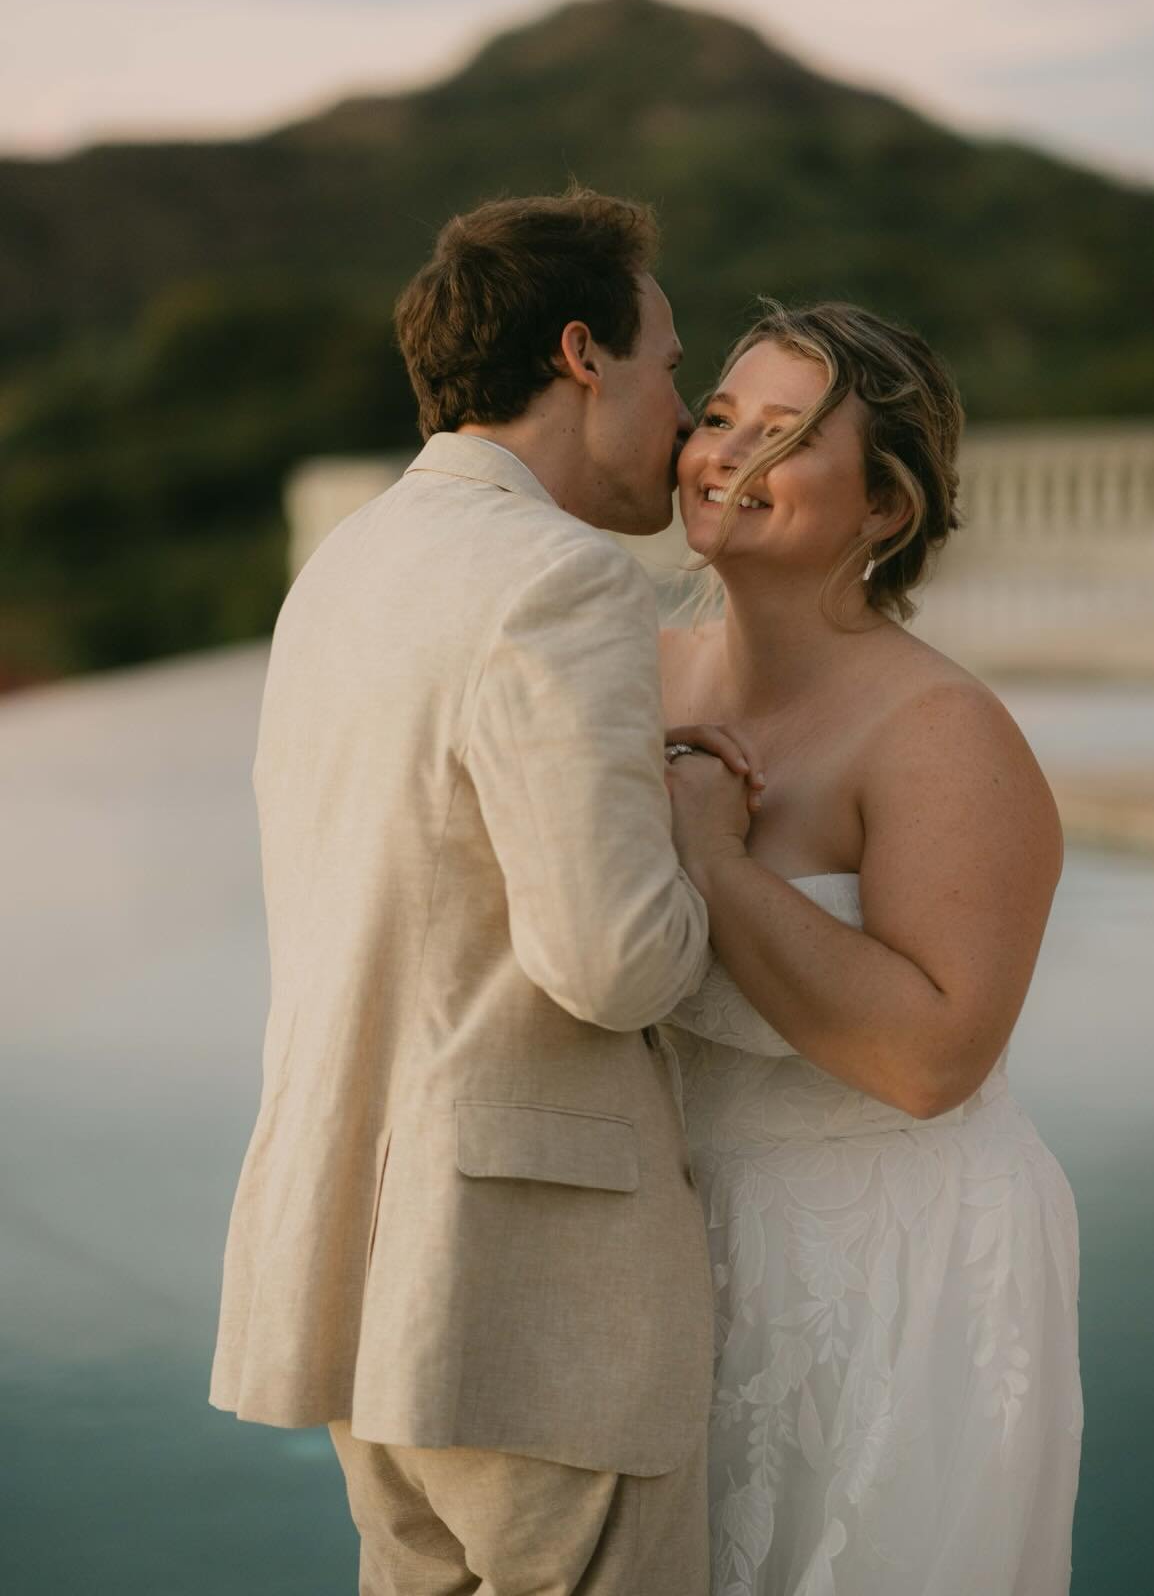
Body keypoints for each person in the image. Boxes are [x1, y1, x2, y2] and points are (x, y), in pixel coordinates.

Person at [209, 189, 756, 1596]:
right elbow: (615, 964)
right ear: (583, 354)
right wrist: (706, 835)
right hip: (536, 1304)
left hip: (357, 1269)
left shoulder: (347, 566)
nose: (685, 409)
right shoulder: (561, 579)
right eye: (672, 365)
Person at [659, 301, 1083, 1595]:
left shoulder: (939, 730)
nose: (725, 455)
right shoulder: (634, 673)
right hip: (674, 1238)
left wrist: (717, 862)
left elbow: (930, 1060)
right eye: (718, 416)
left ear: (885, 509)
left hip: (895, 1266)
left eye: (780, 435)